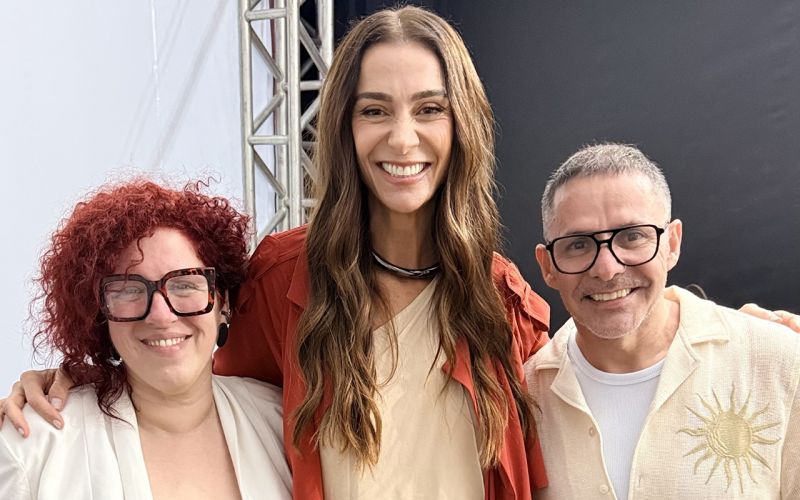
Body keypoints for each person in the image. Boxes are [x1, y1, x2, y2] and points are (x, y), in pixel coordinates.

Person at [1, 7, 798, 500]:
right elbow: (181, 379)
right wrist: (78, 377)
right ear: (344, 128)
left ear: (463, 128)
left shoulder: (504, 298)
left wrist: (736, 340)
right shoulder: (283, 277)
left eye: (429, 109)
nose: (402, 137)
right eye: (374, 109)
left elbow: (600, 365)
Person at [524, 144, 800, 499]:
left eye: (632, 236)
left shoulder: (780, 363)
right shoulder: (523, 399)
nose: (607, 269)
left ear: (672, 243)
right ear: (547, 266)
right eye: (578, 244)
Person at [0, 180, 291, 499]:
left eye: (184, 285)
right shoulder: (30, 445)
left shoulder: (283, 422)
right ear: (100, 314)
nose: (161, 315)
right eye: (128, 290)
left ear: (223, 303)